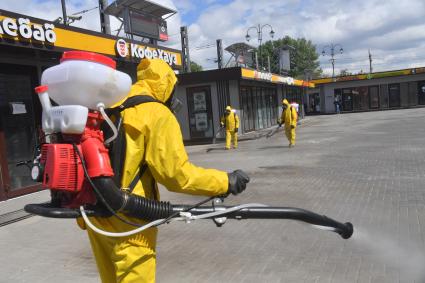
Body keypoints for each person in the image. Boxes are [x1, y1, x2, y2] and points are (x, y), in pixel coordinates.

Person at [82, 59, 249, 283]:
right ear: (167, 85)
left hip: (99, 218)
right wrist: (225, 181)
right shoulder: (156, 113)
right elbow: (177, 176)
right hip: (131, 224)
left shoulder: (111, 107)